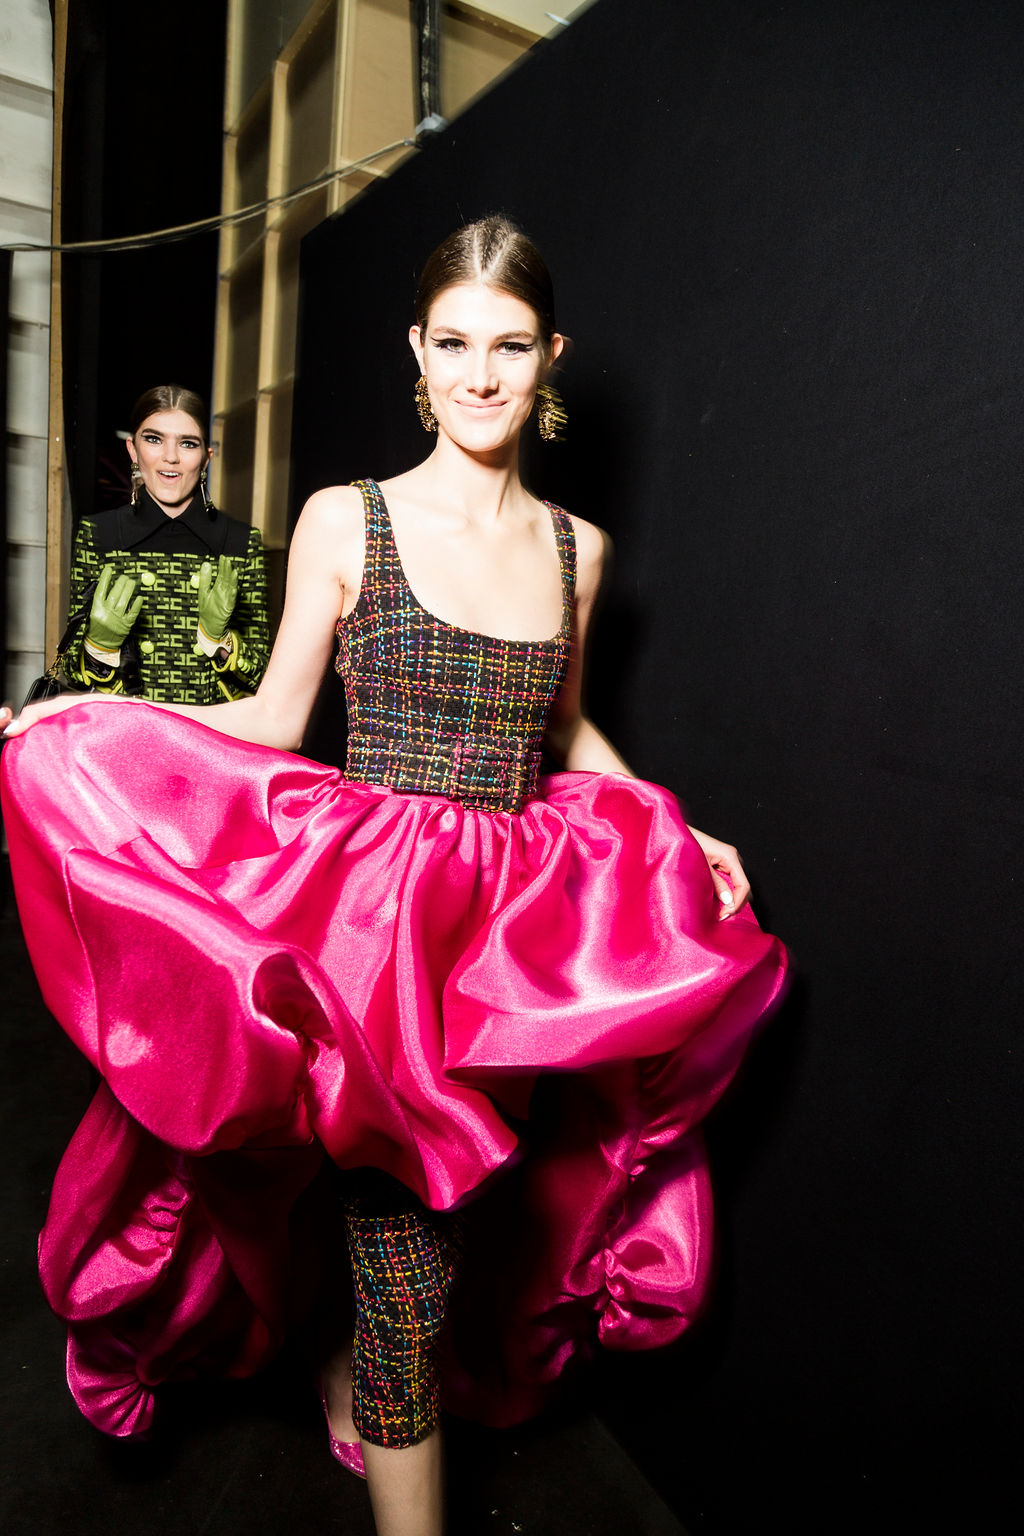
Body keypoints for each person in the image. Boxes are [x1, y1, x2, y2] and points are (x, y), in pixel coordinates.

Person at [1, 218, 788, 1536]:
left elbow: (564, 731)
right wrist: (92, 715)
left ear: (549, 357)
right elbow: (270, 720)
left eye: (510, 346)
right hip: (372, 934)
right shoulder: (345, 519)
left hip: (507, 948)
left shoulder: (578, 551)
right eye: (455, 343)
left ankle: (347, 1368)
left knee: (445, 1233)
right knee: (408, 1265)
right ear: (417, 353)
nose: (481, 375)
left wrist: (672, 824)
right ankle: (381, 1409)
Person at [63, 383, 270, 703]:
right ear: (133, 450)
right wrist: (99, 646)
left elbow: (264, 675)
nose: (170, 457)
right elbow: (72, 671)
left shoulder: (241, 541)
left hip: (209, 728)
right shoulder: (99, 534)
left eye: (187, 443)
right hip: (130, 726)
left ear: (206, 458)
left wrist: (219, 640)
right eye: (154, 439)